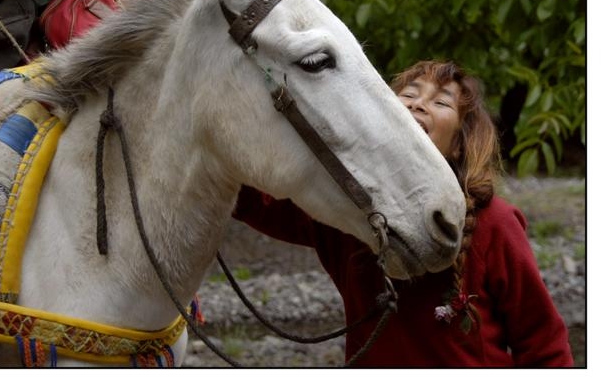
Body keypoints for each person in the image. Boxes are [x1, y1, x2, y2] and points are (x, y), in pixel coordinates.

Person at [233, 60, 574, 367]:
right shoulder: (350, 213)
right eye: (409, 94)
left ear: (458, 144)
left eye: (440, 102)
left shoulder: (493, 222)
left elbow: (543, 346)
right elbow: (248, 199)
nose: (418, 103)